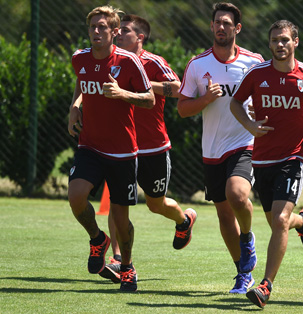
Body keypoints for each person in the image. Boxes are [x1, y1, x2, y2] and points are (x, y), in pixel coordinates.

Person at [230, 19, 303, 308]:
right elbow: (235, 103)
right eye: (275, 39)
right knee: (280, 222)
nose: (280, 44)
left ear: (295, 42)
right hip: (262, 159)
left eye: (285, 39)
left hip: (294, 156)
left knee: (278, 221)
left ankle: (265, 286)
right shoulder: (257, 74)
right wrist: (250, 126)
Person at [97, 14, 197, 284]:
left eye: (126, 31)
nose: (119, 35)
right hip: (121, 147)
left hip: (153, 147)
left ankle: (184, 220)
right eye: (119, 30)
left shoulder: (153, 62)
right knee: (117, 203)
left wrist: (137, 84)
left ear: (140, 37)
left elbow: (178, 88)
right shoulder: (111, 59)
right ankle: (118, 259)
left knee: (155, 204)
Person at [177, 2, 263, 294]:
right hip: (212, 149)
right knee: (224, 214)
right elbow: (182, 109)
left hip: (245, 142)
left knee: (237, 195)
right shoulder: (197, 65)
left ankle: (248, 237)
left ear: (237, 28)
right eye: (218, 23)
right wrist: (204, 100)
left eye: (228, 23)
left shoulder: (254, 62)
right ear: (212, 26)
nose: (222, 27)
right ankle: (243, 273)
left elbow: (267, 97)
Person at [67, 5, 155, 292]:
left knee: (121, 217)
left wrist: (122, 93)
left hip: (123, 152)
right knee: (76, 197)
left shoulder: (128, 61)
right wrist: (75, 107)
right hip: (90, 145)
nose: (96, 31)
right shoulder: (79, 58)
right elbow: (82, 82)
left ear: (114, 32)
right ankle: (97, 239)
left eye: (102, 27)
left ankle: (127, 267)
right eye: (93, 26)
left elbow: (150, 99)